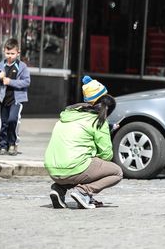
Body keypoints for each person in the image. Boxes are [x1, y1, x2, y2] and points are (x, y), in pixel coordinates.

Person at [44, 76, 123, 209]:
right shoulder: (98, 120)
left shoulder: (68, 115)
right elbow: (106, 155)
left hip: (53, 169)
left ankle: (58, 189)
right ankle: (83, 192)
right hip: (74, 168)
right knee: (116, 172)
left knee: (81, 164)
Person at [0, 38, 30, 156]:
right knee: (4, 123)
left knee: (12, 120)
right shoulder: (0, 66)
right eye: (7, 53)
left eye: (12, 54)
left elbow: (26, 82)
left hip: (17, 99)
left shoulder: (22, 66)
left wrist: (11, 82)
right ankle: (3, 145)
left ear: (18, 53)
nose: (10, 56)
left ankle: (12, 143)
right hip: (4, 99)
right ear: (4, 51)